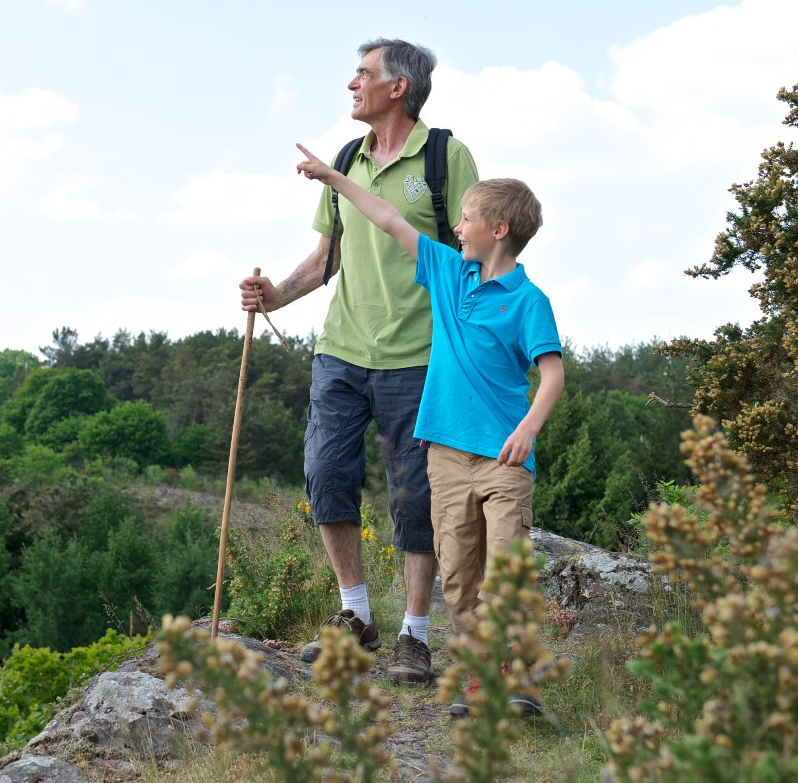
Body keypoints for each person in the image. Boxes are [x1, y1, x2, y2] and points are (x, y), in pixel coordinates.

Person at [239, 38, 479, 686]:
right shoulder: (346, 159)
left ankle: (415, 635)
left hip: (421, 357)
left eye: (363, 74)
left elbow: (476, 257)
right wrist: (274, 298)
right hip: (341, 351)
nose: (352, 83)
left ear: (397, 87)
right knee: (325, 472)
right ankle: (356, 616)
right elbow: (326, 260)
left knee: (416, 495)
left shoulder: (444, 158)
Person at [294, 146, 564, 717]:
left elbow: (551, 375)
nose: (456, 227)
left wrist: (527, 430)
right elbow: (389, 218)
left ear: (499, 229)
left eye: (465, 219)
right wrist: (333, 178)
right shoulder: (446, 272)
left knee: (504, 570)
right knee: (461, 579)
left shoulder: (529, 301)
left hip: (504, 461)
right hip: (445, 457)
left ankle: (510, 683)